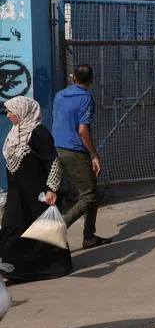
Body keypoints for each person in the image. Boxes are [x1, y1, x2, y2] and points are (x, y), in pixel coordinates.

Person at [0, 97, 72, 282]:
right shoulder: (15, 133)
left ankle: (54, 267)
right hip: (18, 193)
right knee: (12, 228)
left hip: (38, 193)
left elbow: (52, 161)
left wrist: (52, 189)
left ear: (23, 111)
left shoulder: (39, 133)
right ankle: (13, 268)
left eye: (11, 112)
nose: (8, 115)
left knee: (44, 232)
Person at [52, 63, 110, 248]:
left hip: (59, 148)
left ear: (73, 77)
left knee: (91, 189)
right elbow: (83, 129)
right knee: (89, 196)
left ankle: (89, 236)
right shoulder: (86, 98)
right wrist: (94, 154)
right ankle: (59, 226)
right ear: (91, 80)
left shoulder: (60, 95)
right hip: (75, 151)